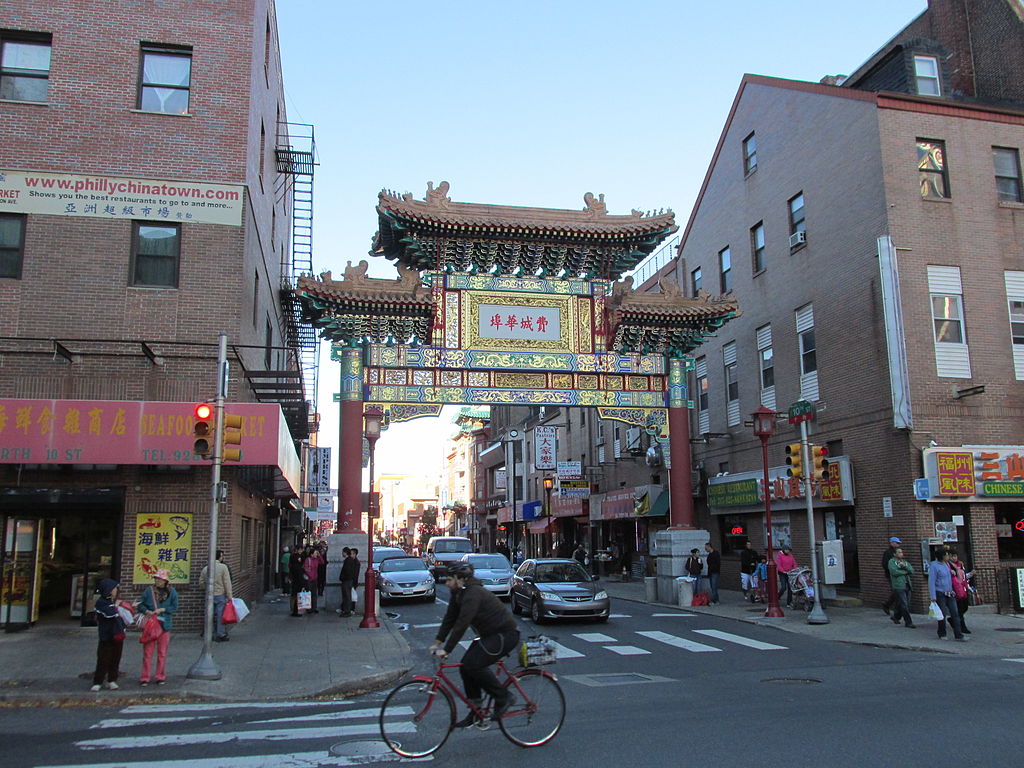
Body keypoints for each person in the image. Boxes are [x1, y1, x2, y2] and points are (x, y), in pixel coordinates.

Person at [429, 563, 520, 728]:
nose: (446, 583)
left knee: (474, 665)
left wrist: (447, 649)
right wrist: (437, 642)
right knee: (465, 666)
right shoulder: (459, 593)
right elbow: (450, 619)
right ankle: (476, 710)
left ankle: (503, 696)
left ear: (461, 579)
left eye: (450, 579)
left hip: (504, 634)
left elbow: (463, 623)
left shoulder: (473, 593)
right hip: (489, 635)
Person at [137, 569, 178, 685]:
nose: (158, 581)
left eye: (160, 579)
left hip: (165, 625)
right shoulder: (148, 591)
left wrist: (164, 609)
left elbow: (175, 607)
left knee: (162, 652)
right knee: (147, 653)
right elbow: (140, 604)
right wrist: (147, 611)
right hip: (151, 624)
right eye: (156, 579)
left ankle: (160, 676)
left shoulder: (172, 592)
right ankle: (145, 677)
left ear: (165, 581)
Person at [91, 578, 126, 691]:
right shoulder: (102, 602)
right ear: (109, 590)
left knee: (115, 658)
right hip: (106, 636)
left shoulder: (112, 602)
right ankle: (98, 681)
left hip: (117, 635)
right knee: (103, 658)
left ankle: (112, 680)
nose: (116, 590)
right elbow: (110, 613)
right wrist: (117, 607)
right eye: (115, 588)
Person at [928, 548, 965, 641]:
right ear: (942, 556)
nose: (948, 557)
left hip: (949, 592)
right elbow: (931, 581)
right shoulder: (934, 566)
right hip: (940, 592)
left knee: (955, 613)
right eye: (947, 555)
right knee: (942, 614)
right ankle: (942, 633)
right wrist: (933, 596)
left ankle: (958, 634)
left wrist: (952, 572)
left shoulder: (947, 564)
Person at [200, 549, 234, 641]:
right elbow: (227, 582)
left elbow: (201, 583)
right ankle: (220, 633)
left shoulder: (205, 568)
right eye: (222, 556)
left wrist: (206, 588)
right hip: (220, 594)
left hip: (209, 595)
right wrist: (229, 595)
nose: (223, 558)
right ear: (219, 557)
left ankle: (207, 633)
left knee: (209, 615)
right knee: (220, 615)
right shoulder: (223, 567)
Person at [887, 546, 916, 628]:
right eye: (899, 552)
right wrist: (905, 572)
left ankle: (896, 616)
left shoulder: (905, 562)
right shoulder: (892, 562)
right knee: (904, 604)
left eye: (901, 552)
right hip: (899, 585)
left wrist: (905, 567)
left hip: (907, 584)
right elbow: (894, 572)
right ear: (894, 554)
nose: (901, 554)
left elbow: (911, 570)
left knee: (906, 604)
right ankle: (908, 622)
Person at [948, 550, 971, 634]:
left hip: (962, 588)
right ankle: (962, 627)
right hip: (955, 589)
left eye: (955, 556)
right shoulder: (948, 566)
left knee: (965, 607)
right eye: (952, 556)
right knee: (959, 610)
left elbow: (964, 576)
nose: (954, 558)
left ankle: (953, 620)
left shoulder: (960, 565)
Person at [881, 537, 901, 616]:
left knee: (897, 591)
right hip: (891, 575)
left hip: (897, 574)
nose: (898, 545)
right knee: (896, 591)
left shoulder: (897, 552)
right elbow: (885, 564)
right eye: (897, 543)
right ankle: (890, 606)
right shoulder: (888, 553)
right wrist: (892, 570)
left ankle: (888, 604)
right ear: (892, 543)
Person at [339, 547, 360, 617]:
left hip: (347, 581)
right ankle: (346, 610)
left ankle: (347, 611)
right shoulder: (350, 560)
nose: (342, 554)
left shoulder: (349, 561)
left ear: (345, 553)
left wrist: (343, 578)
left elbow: (348, 572)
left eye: (343, 552)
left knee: (347, 596)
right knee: (346, 596)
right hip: (348, 580)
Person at [289, 545, 307, 617]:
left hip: (294, 581)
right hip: (298, 582)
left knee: (294, 595)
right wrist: (302, 584)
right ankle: (296, 611)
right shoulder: (299, 567)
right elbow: (300, 576)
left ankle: (293, 610)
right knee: (297, 596)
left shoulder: (293, 565)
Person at [303, 548, 321, 614]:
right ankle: (308, 608)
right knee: (308, 594)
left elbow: (322, 562)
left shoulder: (316, 559)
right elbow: (306, 568)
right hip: (309, 579)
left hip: (315, 578)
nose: (316, 554)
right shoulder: (308, 560)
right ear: (311, 554)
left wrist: (319, 555)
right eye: (315, 553)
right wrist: (310, 575)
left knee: (314, 594)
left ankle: (314, 607)